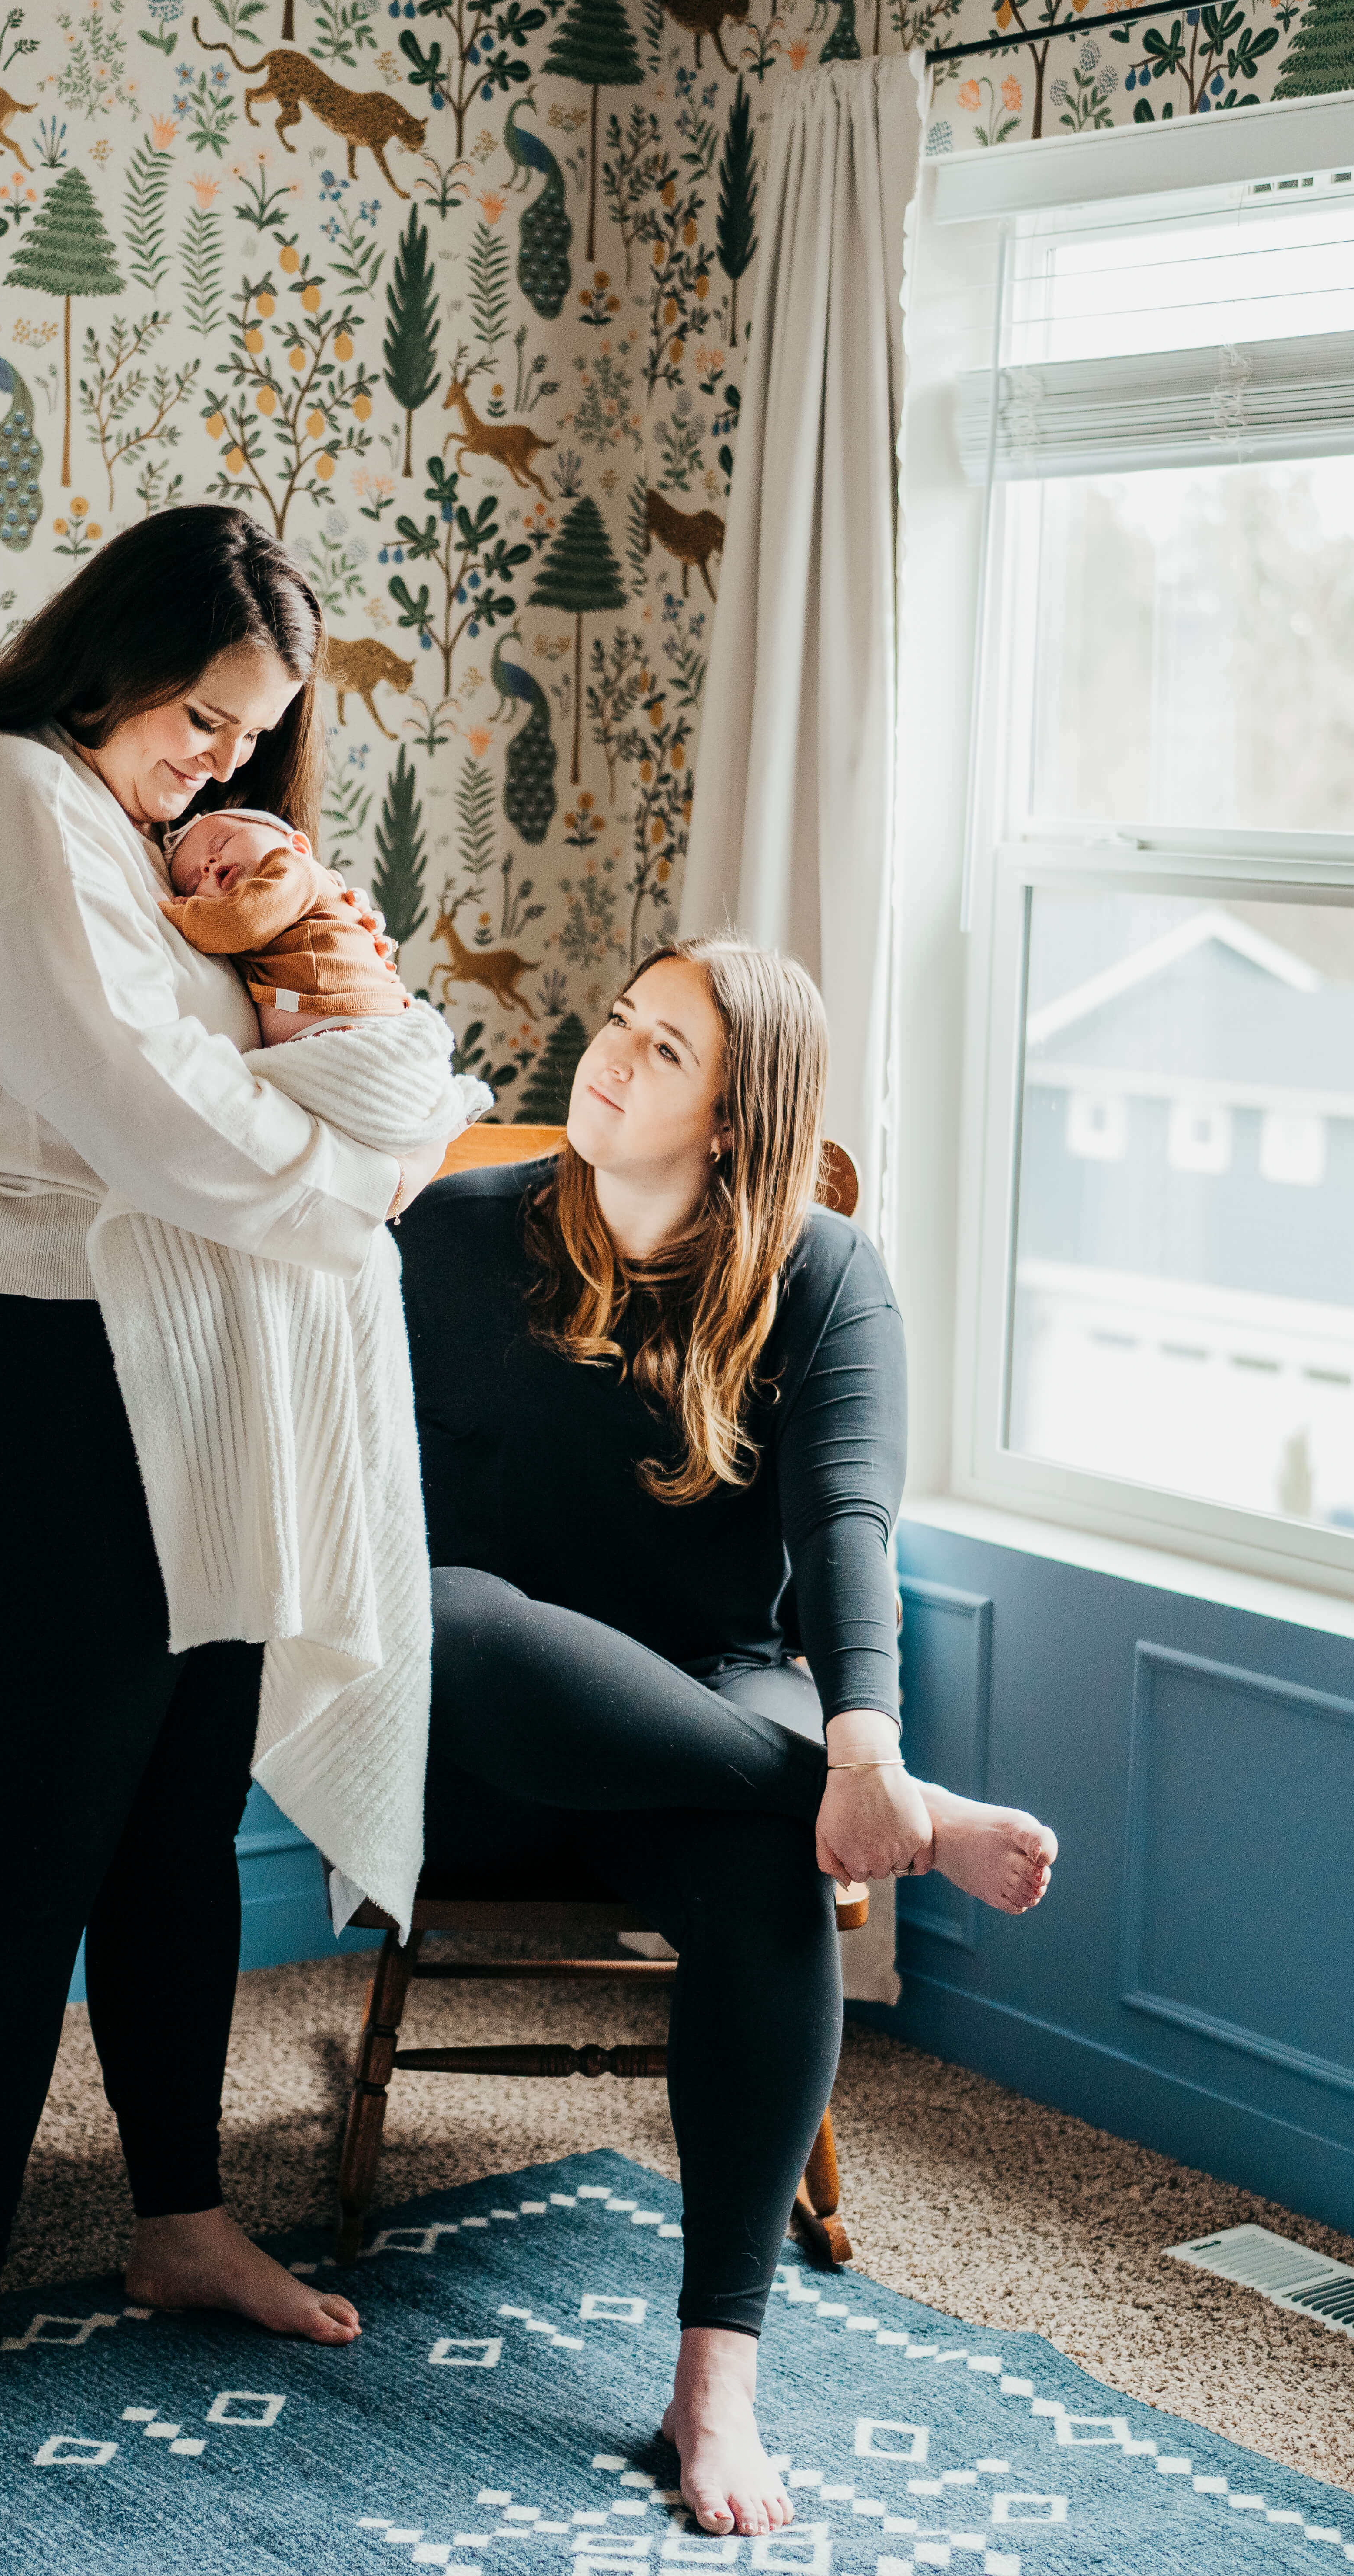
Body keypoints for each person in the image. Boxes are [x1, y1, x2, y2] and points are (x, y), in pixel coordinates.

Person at [0, 506, 444, 2468]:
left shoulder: (166, 846)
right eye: (201, 714)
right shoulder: (3, 791)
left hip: (180, 1345)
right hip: (19, 1352)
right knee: (39, 1830)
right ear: (113, 657)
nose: (222, 763)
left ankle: (177, 2218)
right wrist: (356, 1166)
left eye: (254, 735)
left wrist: (349, 1096)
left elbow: (320, 1065)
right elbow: (151, 1115)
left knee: (176, 1808)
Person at [393, 938, 1060, 2541]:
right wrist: (849, 1774)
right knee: (449, 1603)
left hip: (707, 1699)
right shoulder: (449, 1235)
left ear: (732, 1112)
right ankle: (886, 1805)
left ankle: (717, 2373)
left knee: (768, 1855)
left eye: (662, 1046)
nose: (607, 1056)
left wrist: (863, 1725)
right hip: (482, 1746)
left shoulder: (823, 1274)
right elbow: (365, 1526)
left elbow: (845, 1525)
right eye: (618, 1020)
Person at [161, 807, 411, 1044]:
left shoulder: (294, 867)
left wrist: (174, 912)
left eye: (223, 842)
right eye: (193, 884)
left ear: (298, 846)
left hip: (360, 1023)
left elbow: (240, 919)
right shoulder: (252, 932)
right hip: (329, 1034)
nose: (208, 864)